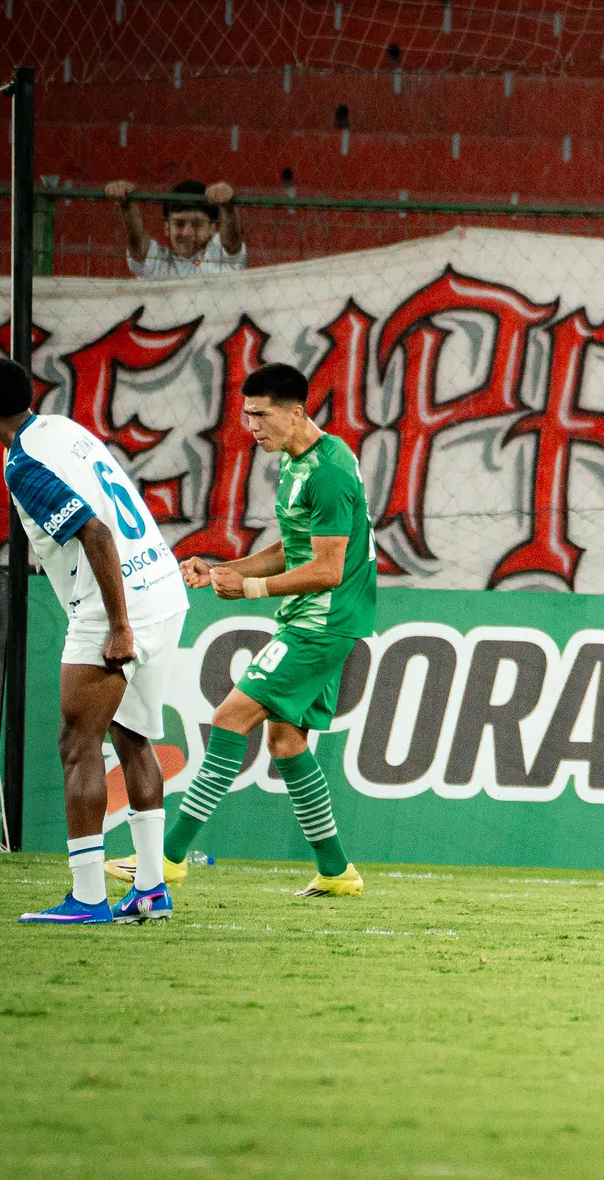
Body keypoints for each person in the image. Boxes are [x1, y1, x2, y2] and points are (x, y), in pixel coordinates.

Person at [0, 358, 189, 926]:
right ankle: (150, 888)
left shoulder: (22, 463)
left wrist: (117, 626)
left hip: (116, 606)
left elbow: (93, 530)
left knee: (77, 744)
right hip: (161, 587)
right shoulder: (64, 428)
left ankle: (88, 897)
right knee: (133, 735)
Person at [162, 363, 371, 897]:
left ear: (296, 411)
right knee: (285, 741)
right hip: (318, 617)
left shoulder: (328, 472)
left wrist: (250, 591)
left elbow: (328, 569)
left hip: (322, 622)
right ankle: (336, 871)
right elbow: (289, 551)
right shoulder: (300, 462)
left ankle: (166, 859)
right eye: (246, 414)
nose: (251, 425)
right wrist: (221, 571)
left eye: (262, 414)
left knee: (231, 715)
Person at [106, 177, 246, 279]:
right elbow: (137, 241)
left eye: (197, 224)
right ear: (167, 228)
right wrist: (126, 205)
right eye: (179, 224)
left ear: (212, 228)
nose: (187, 232)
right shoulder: (158, 263)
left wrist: (227, 207)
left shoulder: (218, 256)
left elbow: (231, 243)